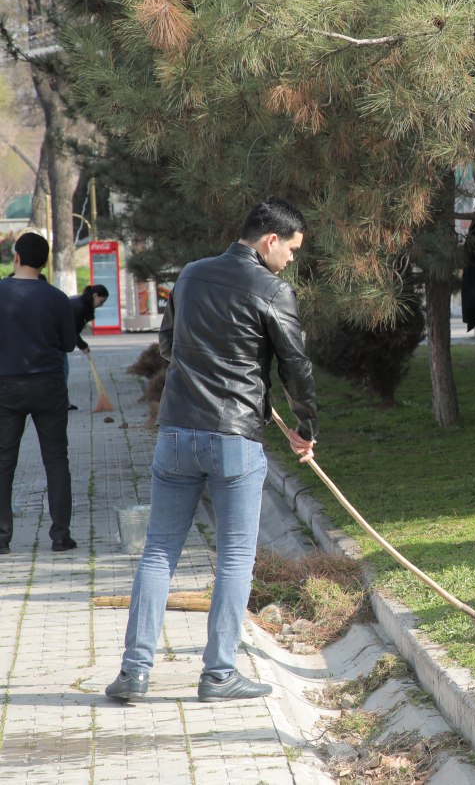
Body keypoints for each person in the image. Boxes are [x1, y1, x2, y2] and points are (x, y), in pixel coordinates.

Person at [105, 198, 319, 704]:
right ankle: (219, 673)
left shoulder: (192, 275)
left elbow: (168, 345)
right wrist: (305, 425)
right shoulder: (273, 289)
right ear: (270, 240)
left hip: (177, 432)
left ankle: (134, 673)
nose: (291, 260)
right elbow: (296, 365)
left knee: (159, 552)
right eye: (291, 249)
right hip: (234, 441)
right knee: (235, 559)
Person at [0, 232, 77, 555]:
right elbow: (69, 344)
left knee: (4, 461)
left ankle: (2, 538)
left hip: (6, 386)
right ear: (45, 261)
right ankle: (60, 536)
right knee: (56, 460)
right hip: (48, 385)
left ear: (16, 257)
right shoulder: (56, 297)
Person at [65, 284, 110, 408]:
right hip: (54, 342)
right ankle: (61, 404)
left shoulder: (82, 304)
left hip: (57, 342)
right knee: (62, 371)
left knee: (63, 371)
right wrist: (83, 346)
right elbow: (71, 330)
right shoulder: (80, 307)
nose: (102, 304)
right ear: (95, 295)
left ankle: (63, 403)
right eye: (102, 301)